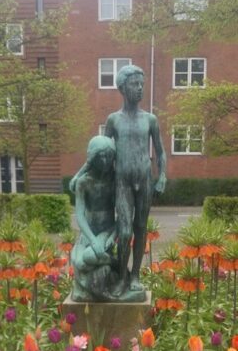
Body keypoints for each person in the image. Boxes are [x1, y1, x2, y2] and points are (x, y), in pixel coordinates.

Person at [104, 64, 166, 297]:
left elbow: (160, 151)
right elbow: (104, 152)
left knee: (141, 228)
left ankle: (136, 275)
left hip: (145, 181)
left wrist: (162, 176)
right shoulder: (113, 120)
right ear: (122, 88)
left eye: (142, 84)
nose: (140, 88)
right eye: (134, 84)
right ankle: (122, 276)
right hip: (122, 183)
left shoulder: (150, 119)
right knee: (125, 230)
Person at [70, 136, 117, 301]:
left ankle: (113, 262)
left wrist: (111, 236)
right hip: (88, 234)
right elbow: (80, 215)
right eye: (100, 156)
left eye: (108, 156)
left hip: (107, 231)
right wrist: (91, 239)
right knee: (79, 263)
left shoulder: (115, 180)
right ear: (92, 158)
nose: (105, 161)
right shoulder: (83, 182)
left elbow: (123, 215)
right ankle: (110, 261)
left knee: (89, 258)